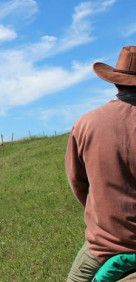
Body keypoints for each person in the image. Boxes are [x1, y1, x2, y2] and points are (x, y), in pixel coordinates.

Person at [66, 46, 136, 281]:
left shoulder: (85, 124)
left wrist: (104, 213)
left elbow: (78, 184)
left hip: (103, 246)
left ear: (116, 82)